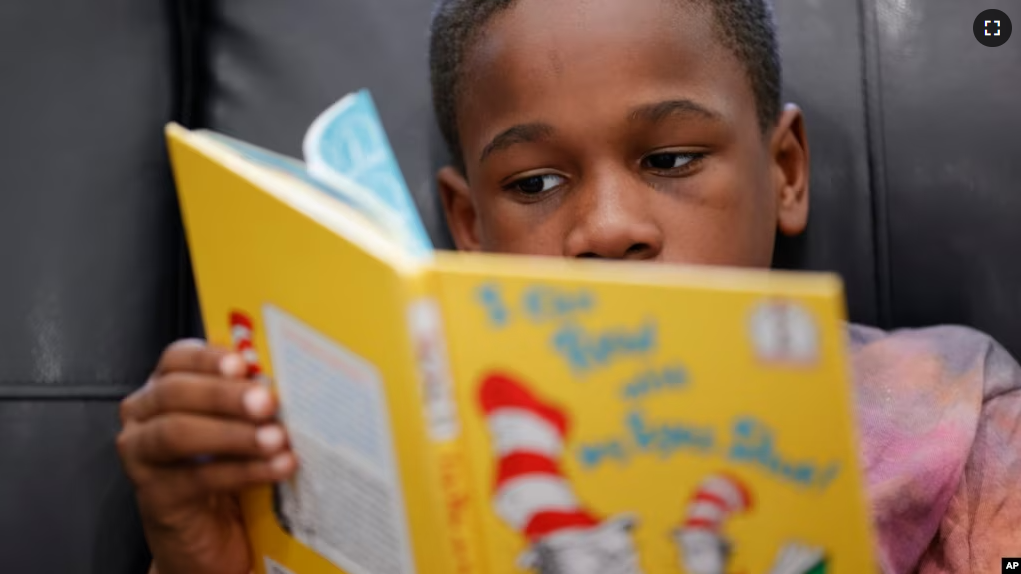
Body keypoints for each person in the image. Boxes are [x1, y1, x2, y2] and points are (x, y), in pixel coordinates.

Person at [116, 0, 1021, 572]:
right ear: (469, 228)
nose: (604, 228)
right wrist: (203, 560)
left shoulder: (953, 408)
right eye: (535, 185)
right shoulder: (402, 457)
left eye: (669, 158)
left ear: (783, 172)